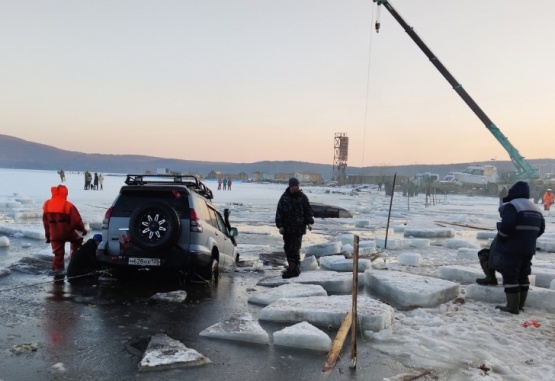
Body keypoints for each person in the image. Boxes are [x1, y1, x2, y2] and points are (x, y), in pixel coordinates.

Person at [494, 181, 545, 314]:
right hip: (528, 248)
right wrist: (529, 238)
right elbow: (541, 229)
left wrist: (502, 237)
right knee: (523, 275)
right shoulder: (535, 208)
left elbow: (507, 225)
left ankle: (512, 307)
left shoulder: (513, 205)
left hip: (512, 247)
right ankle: (520, 305)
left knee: (510, 275)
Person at [42, 184, 88, 275]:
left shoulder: (47, 204)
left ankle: (57, 273)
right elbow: (77, 221)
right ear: (65, 193)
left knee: (58, 255)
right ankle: (74, 261)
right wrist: (83, 230)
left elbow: (46, 223)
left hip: (54, 235)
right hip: (67, 232)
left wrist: (48, 236)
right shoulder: (68, 205)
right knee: (77, 240)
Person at [275, 177, 314, 279]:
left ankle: (293, 270)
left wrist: (309, 222)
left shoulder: (302, 197)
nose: (296, 188)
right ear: (290, 186)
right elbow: (279, 212)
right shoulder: (284, 198)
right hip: (287, 229)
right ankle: (293, 267)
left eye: (298, 185)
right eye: (294, 186)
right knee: (287, 248)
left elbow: (308, 211)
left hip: (298, 229)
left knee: (294, 249)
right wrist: (280, 225)